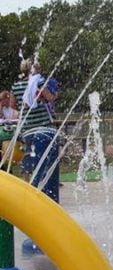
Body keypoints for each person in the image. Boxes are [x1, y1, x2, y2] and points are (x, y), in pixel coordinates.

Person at [11, 60, 59, 201]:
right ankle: (41, 191)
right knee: (42, 159)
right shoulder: (38, 83)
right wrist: (53, 95)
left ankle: (27, 188)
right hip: (42, 126)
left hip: (26, 127)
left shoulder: (16, 86)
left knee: (28, 155)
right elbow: (50, 98)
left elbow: (14, 106)